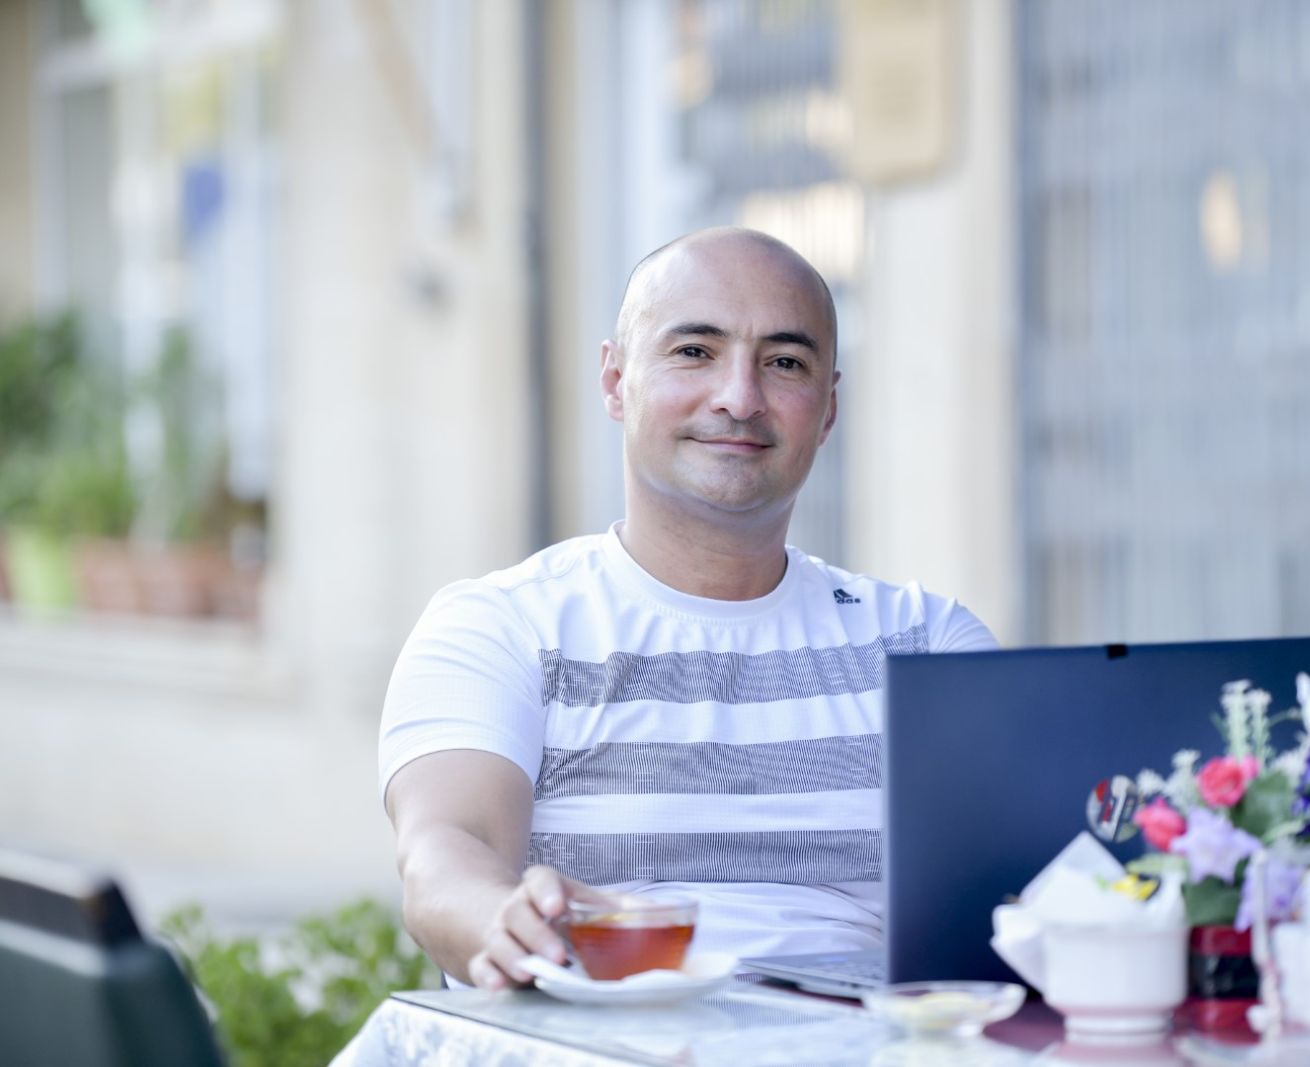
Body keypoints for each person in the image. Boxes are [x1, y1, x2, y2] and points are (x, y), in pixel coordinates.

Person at [379, 227, 996, 989]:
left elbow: (1011, 893)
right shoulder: (502, 628)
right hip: (598, 1032)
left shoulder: (927, 644)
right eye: (695, 351)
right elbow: (446, 856)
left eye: (784, 362)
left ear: (828, 408)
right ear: (616, 381)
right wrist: (507, 920)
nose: (739, 397)